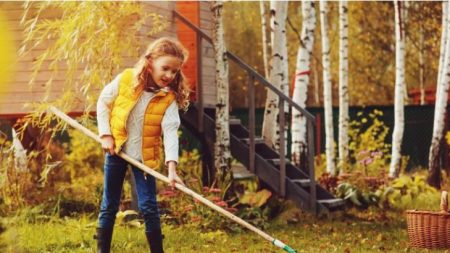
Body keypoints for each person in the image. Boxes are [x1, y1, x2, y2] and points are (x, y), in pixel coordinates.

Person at [95, 37, 190, 253]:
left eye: (174, 72)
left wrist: (172, 169)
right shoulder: (126, 79)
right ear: (150, 62)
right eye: (165, 68)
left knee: (148, 206)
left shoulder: (168, 99)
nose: (169, 76)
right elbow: (103, 101)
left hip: (145, 159)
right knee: (109, 204)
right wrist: (105, 135)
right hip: (117, 151)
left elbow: (170, 133)